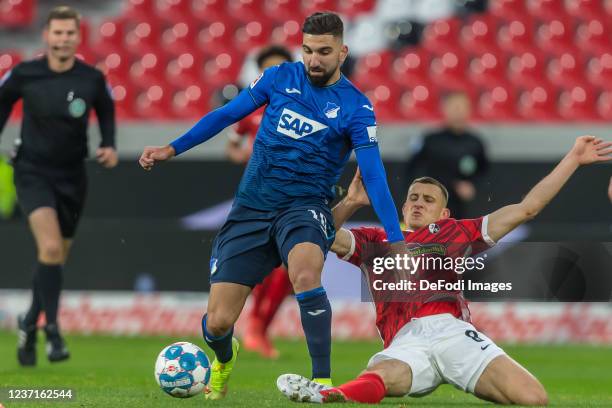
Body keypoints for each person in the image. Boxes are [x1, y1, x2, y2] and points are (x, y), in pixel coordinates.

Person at [139, 12, 405, 400]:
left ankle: (323, 382)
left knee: (305, 274)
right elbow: (226, 115)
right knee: (217, 322)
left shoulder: (356, 108)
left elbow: (375, 177)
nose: (314, 60)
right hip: (251, 208)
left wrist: (395, 238)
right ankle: (224, 359)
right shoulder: (279, 77)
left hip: (305, 207)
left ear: (343, 51)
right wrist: (172, 148)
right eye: (309, 50)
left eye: (325, 52)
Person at [277, 135, 612, 405]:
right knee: (383, 375)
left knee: (533, 398)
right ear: (404, 207)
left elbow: (528, 209)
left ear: (444, 214)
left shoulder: (457, 233)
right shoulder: (375, 239)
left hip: (451, 330)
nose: (419, 203)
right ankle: (329, 397)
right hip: (405, 339)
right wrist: (350, 202)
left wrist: (573, 159)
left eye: (428, 199)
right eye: (413, 198)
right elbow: (319, 236)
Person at [0, 6, 117, 366]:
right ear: (46, 36)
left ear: (78, 37)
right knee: (50, 247)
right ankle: (52, 329)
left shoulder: (91, 79)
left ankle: (28, 321)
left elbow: (107, 110)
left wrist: (108, 145)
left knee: (54, 258)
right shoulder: (24, 73)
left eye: (70, 33)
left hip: (72, 176)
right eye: (58, 33)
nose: (63, 39)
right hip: (32, 172)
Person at [226, 45, 295, 359]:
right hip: (260, 196)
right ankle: (255, 327)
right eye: (269, 69)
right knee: (270, 267)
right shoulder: (251, 108)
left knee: (291, 270)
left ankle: (258, 327)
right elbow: (233, 142)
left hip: (297, 195)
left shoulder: (304, 106)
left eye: (281, 67)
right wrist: (239, 154)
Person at [407, 91, 488, 219]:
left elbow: (484, 171)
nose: (458, 111)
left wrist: (472, 185)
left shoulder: (475, 142)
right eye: (455, 107)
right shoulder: (430, 140)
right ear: (445, 109)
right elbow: (412, 170)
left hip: (463, 209)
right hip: (432, 206)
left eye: (462, 107)